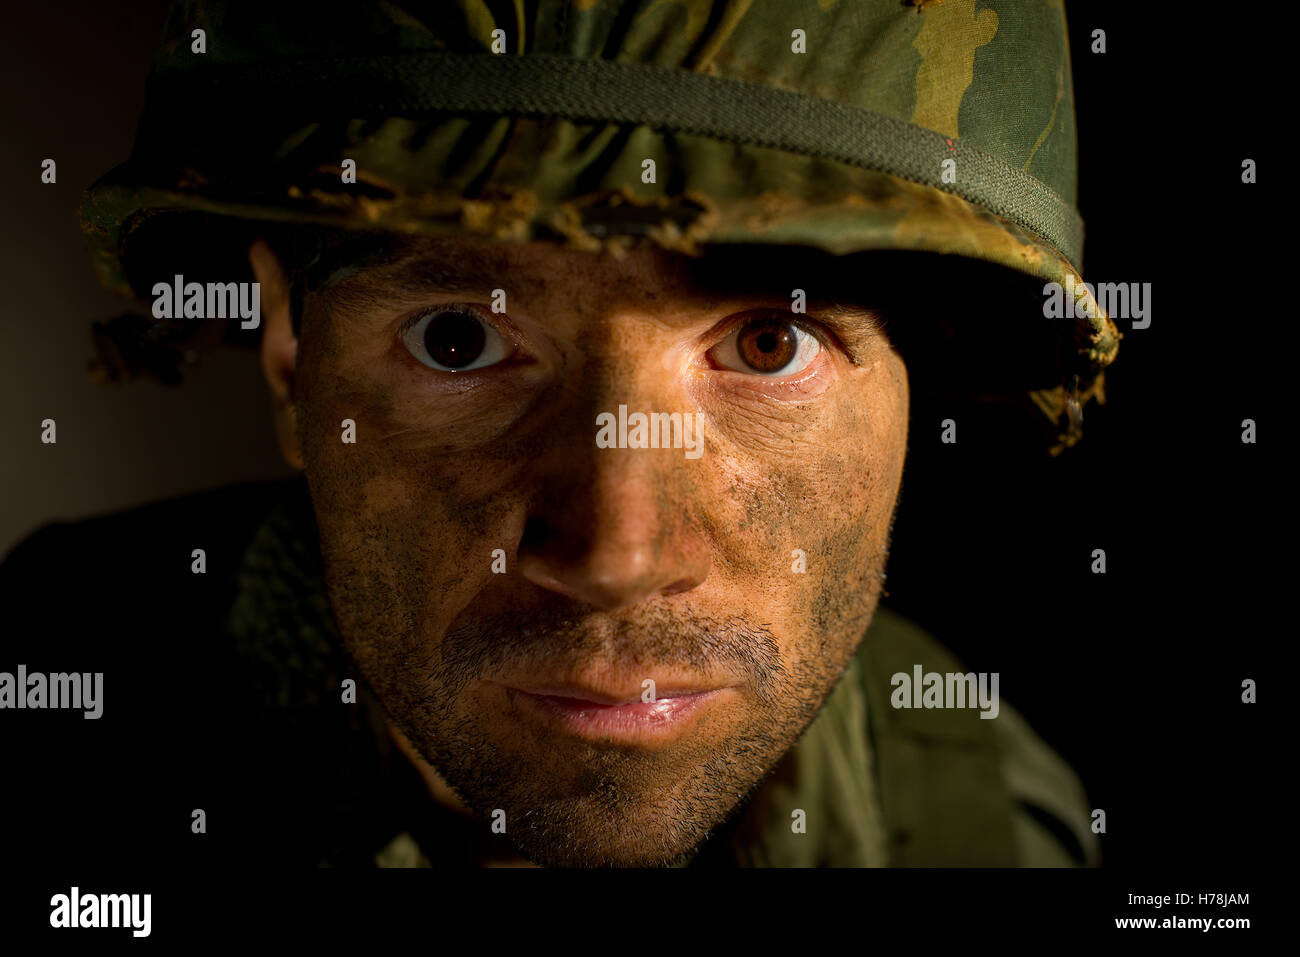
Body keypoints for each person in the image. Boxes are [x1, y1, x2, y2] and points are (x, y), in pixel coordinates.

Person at [4, 0, 1117, 867]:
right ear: (292, 353)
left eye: (769, 346)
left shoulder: (987, 818)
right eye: (456, 342)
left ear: (919, 386)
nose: (615, 556)